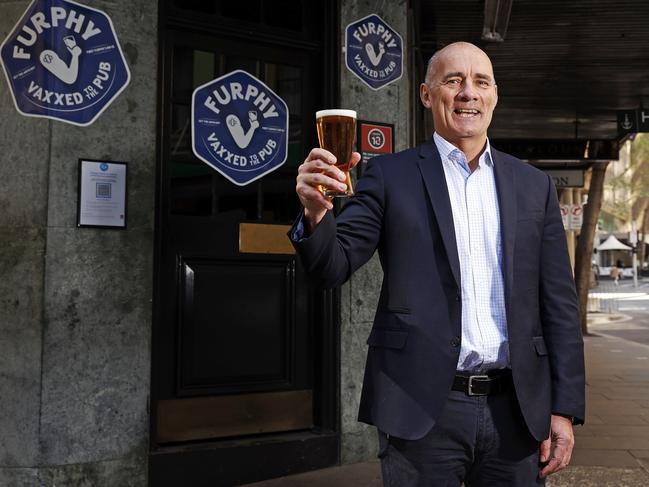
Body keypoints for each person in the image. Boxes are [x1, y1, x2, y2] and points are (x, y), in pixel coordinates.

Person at [290, 41, 584, 486]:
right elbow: (333, 265)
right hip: (421, 407)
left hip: (517, 411)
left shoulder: (533, 185)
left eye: (480, 81)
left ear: (494, 96)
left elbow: (559, 303)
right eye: (453, 80)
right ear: (427, 94)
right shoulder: (389, 176)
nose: (468, 92)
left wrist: (564, 407)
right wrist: (315, 214)